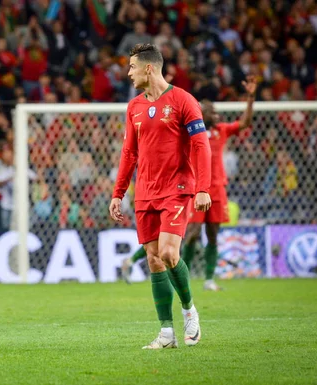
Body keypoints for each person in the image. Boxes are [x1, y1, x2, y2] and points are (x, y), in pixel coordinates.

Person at [109, 44, 212, 349]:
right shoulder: (134, 107)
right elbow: (129, 153)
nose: (128, 73)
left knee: (169, 253)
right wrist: (118, 193)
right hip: (146, 193)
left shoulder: (183, 100)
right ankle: (166, 333)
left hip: (178, 189)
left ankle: (189, 310)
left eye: (131, 67)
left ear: (148, 68)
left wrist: (203, 187)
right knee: (154, 260)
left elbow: (200, 145)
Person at [183, 76, 258, 291]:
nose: (216, 114)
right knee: (193, 232)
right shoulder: (190, 133)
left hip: (217, 189)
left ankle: (208, 279)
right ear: (201, 114)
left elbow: (245, 122)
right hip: (196, 190)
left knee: (213, 233)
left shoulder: (221, 130)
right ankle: (183, 277)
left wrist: (251, 97)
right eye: (211, 111)